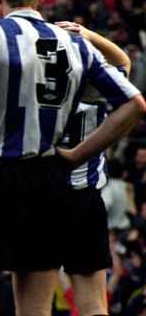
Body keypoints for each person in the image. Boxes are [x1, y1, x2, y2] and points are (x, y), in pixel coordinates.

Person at [0, 0, 146, 316]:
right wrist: (79, 154)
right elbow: (135, 103)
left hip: (0, 179)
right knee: (34, 309)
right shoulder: (76, 44)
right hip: (51, 183)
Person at [54, 21, 132, 316]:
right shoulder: (96, 88)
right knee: (94, 303)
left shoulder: (34, 89)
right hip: (84, 198)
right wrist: (88, 34)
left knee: (35, 294)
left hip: (42, 194)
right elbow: (122, 61)